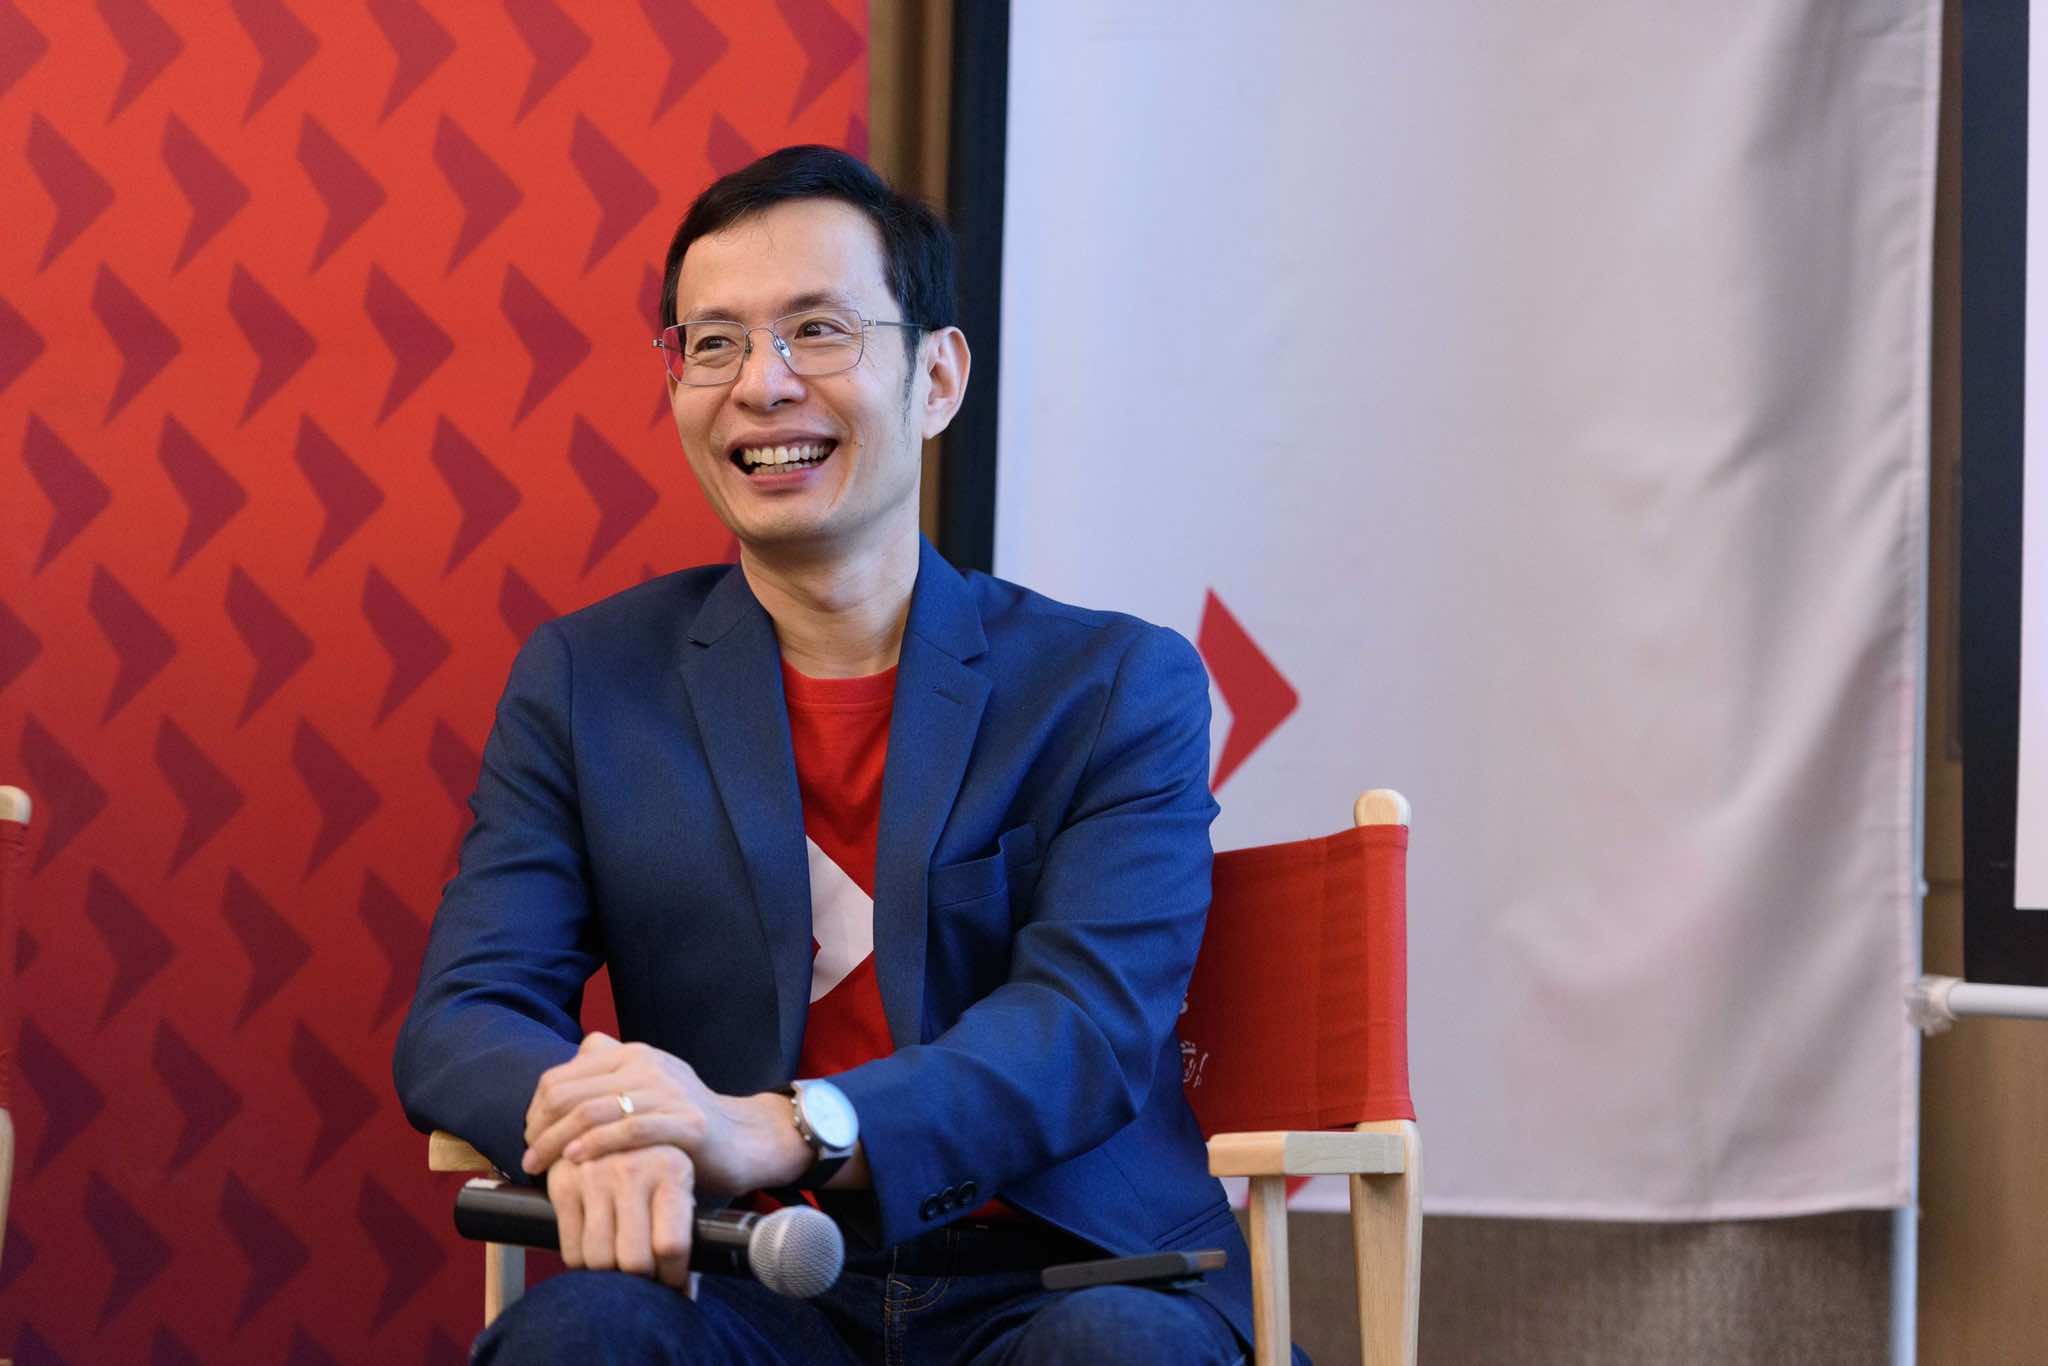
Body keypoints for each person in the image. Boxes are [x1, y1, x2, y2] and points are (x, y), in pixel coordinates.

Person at [394, 145, 1283, 1364]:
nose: (760, 385)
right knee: (580, 1339)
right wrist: (604, 1117)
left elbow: (1083, 1026)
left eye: (816, 331)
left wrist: (780, 1127)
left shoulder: (1112, 686)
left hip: (1061, 1275)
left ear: (936, 377)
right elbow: (466, 1012)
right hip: (746, 1277)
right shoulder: (588, 681)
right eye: (712, 343)